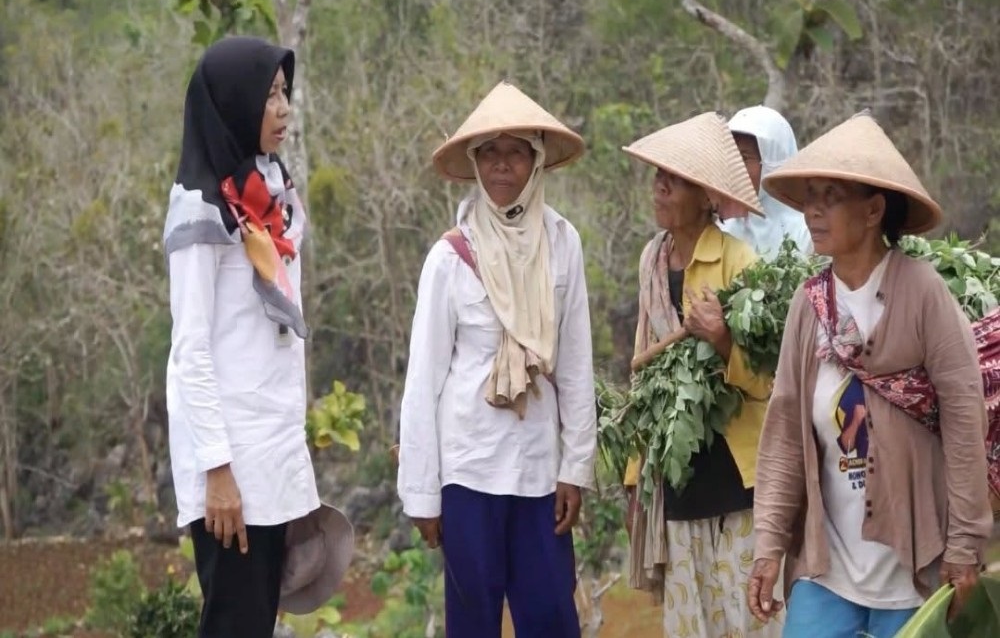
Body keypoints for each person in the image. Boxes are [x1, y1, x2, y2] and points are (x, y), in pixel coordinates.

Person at [748, 111, 993, 638]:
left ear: (874, 209)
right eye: (809, 196)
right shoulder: (809, 306)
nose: (812, 211)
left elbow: (964, 418)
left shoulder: (921, 292)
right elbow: (786, 432)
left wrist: (965, 544)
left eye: (830, 196)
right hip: (829, 569)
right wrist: (769, 543)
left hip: (914, 566)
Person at [396, 81, 597, 637]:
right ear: (475, 163)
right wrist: (422, 491)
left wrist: (575, 467)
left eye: (514, 153)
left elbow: (576, 363)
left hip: (539, 467)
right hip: (469, 467)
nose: (501, 166)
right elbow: (424, 379)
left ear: (536, 161)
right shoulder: (450, 257)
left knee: (552, 615)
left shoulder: (562, 243)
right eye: (489, 153)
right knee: (474, 620)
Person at [163, 36, 348, 637]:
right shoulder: (200, 211)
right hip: (230, 465)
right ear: (234, 103)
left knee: (257, 622)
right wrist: (216, 471)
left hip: (270, 456)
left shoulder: (270, 198)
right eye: (268, 96)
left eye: (285, 93)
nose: (284, 108)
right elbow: (190, 351)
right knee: (234, 624)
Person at [620, 111, 780, 637]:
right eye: (658, 176)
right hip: (678, 475)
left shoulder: (739, 262)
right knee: (693, 626)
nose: (660, 187)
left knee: (749, 620)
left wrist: (723, 339)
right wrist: (634, 476)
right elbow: (647, 375)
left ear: (708, 195)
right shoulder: (650, 260)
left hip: (738, 477)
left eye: (677, 179)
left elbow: (770, 381)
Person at [717, 105, 812, 259]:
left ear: (773, 161)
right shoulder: (724, 230)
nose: (734, 168)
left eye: (744, 158)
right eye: (732, 157)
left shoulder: (809, 235)